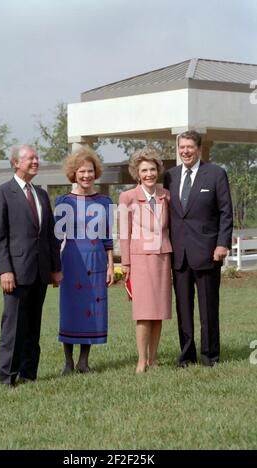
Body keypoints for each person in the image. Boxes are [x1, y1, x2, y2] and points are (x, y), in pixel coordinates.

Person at [0, 145, 62, 386]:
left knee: (33, 326)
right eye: (30, 158)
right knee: (13, 327)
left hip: (40, 271)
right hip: (16, 272)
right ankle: (7, 377)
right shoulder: (2, 193)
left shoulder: (41, 194)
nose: (35, 161)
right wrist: (5, 270)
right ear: (15, 163)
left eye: (37, 158)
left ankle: (29, 374)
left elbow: (50, 234)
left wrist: (55, 267)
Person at [164, 130, 233, 368]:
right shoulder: (170, 176)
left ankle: (210, 355)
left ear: (199, 148)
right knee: (183, 309)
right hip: (179, 255)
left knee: (208, 309)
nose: (185, 151)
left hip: (207, 252)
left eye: (190, 147)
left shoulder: (215, 174)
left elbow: (226, 212)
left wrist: (222, 243)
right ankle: (186, 355)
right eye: (182, 147)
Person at [54, 146, 114, 375]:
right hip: (71, 261)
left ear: (95, 172)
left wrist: (111, 266)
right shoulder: (63, 201)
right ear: (74, 174)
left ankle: (83, 362)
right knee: (71, 309)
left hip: (97, 260)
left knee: (92, 309)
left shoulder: (105, 202)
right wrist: (54, 267)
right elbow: (55, 237)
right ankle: (68, 362)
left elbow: (108, 238)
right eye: (82, 171)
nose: (86, 175)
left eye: (90, 171)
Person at [119, 146, 172, 374]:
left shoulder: (166, 195)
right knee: (143, 313)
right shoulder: (127, 197)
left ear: (158, 171)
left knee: (158, 312)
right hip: (140, 260)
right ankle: (141, 360)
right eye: (144, 170)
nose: (149, 174)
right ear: (137, 173)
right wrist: (126, 264)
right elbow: (124, 232)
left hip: (162, 258)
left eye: (152, 169)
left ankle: (154, 358)